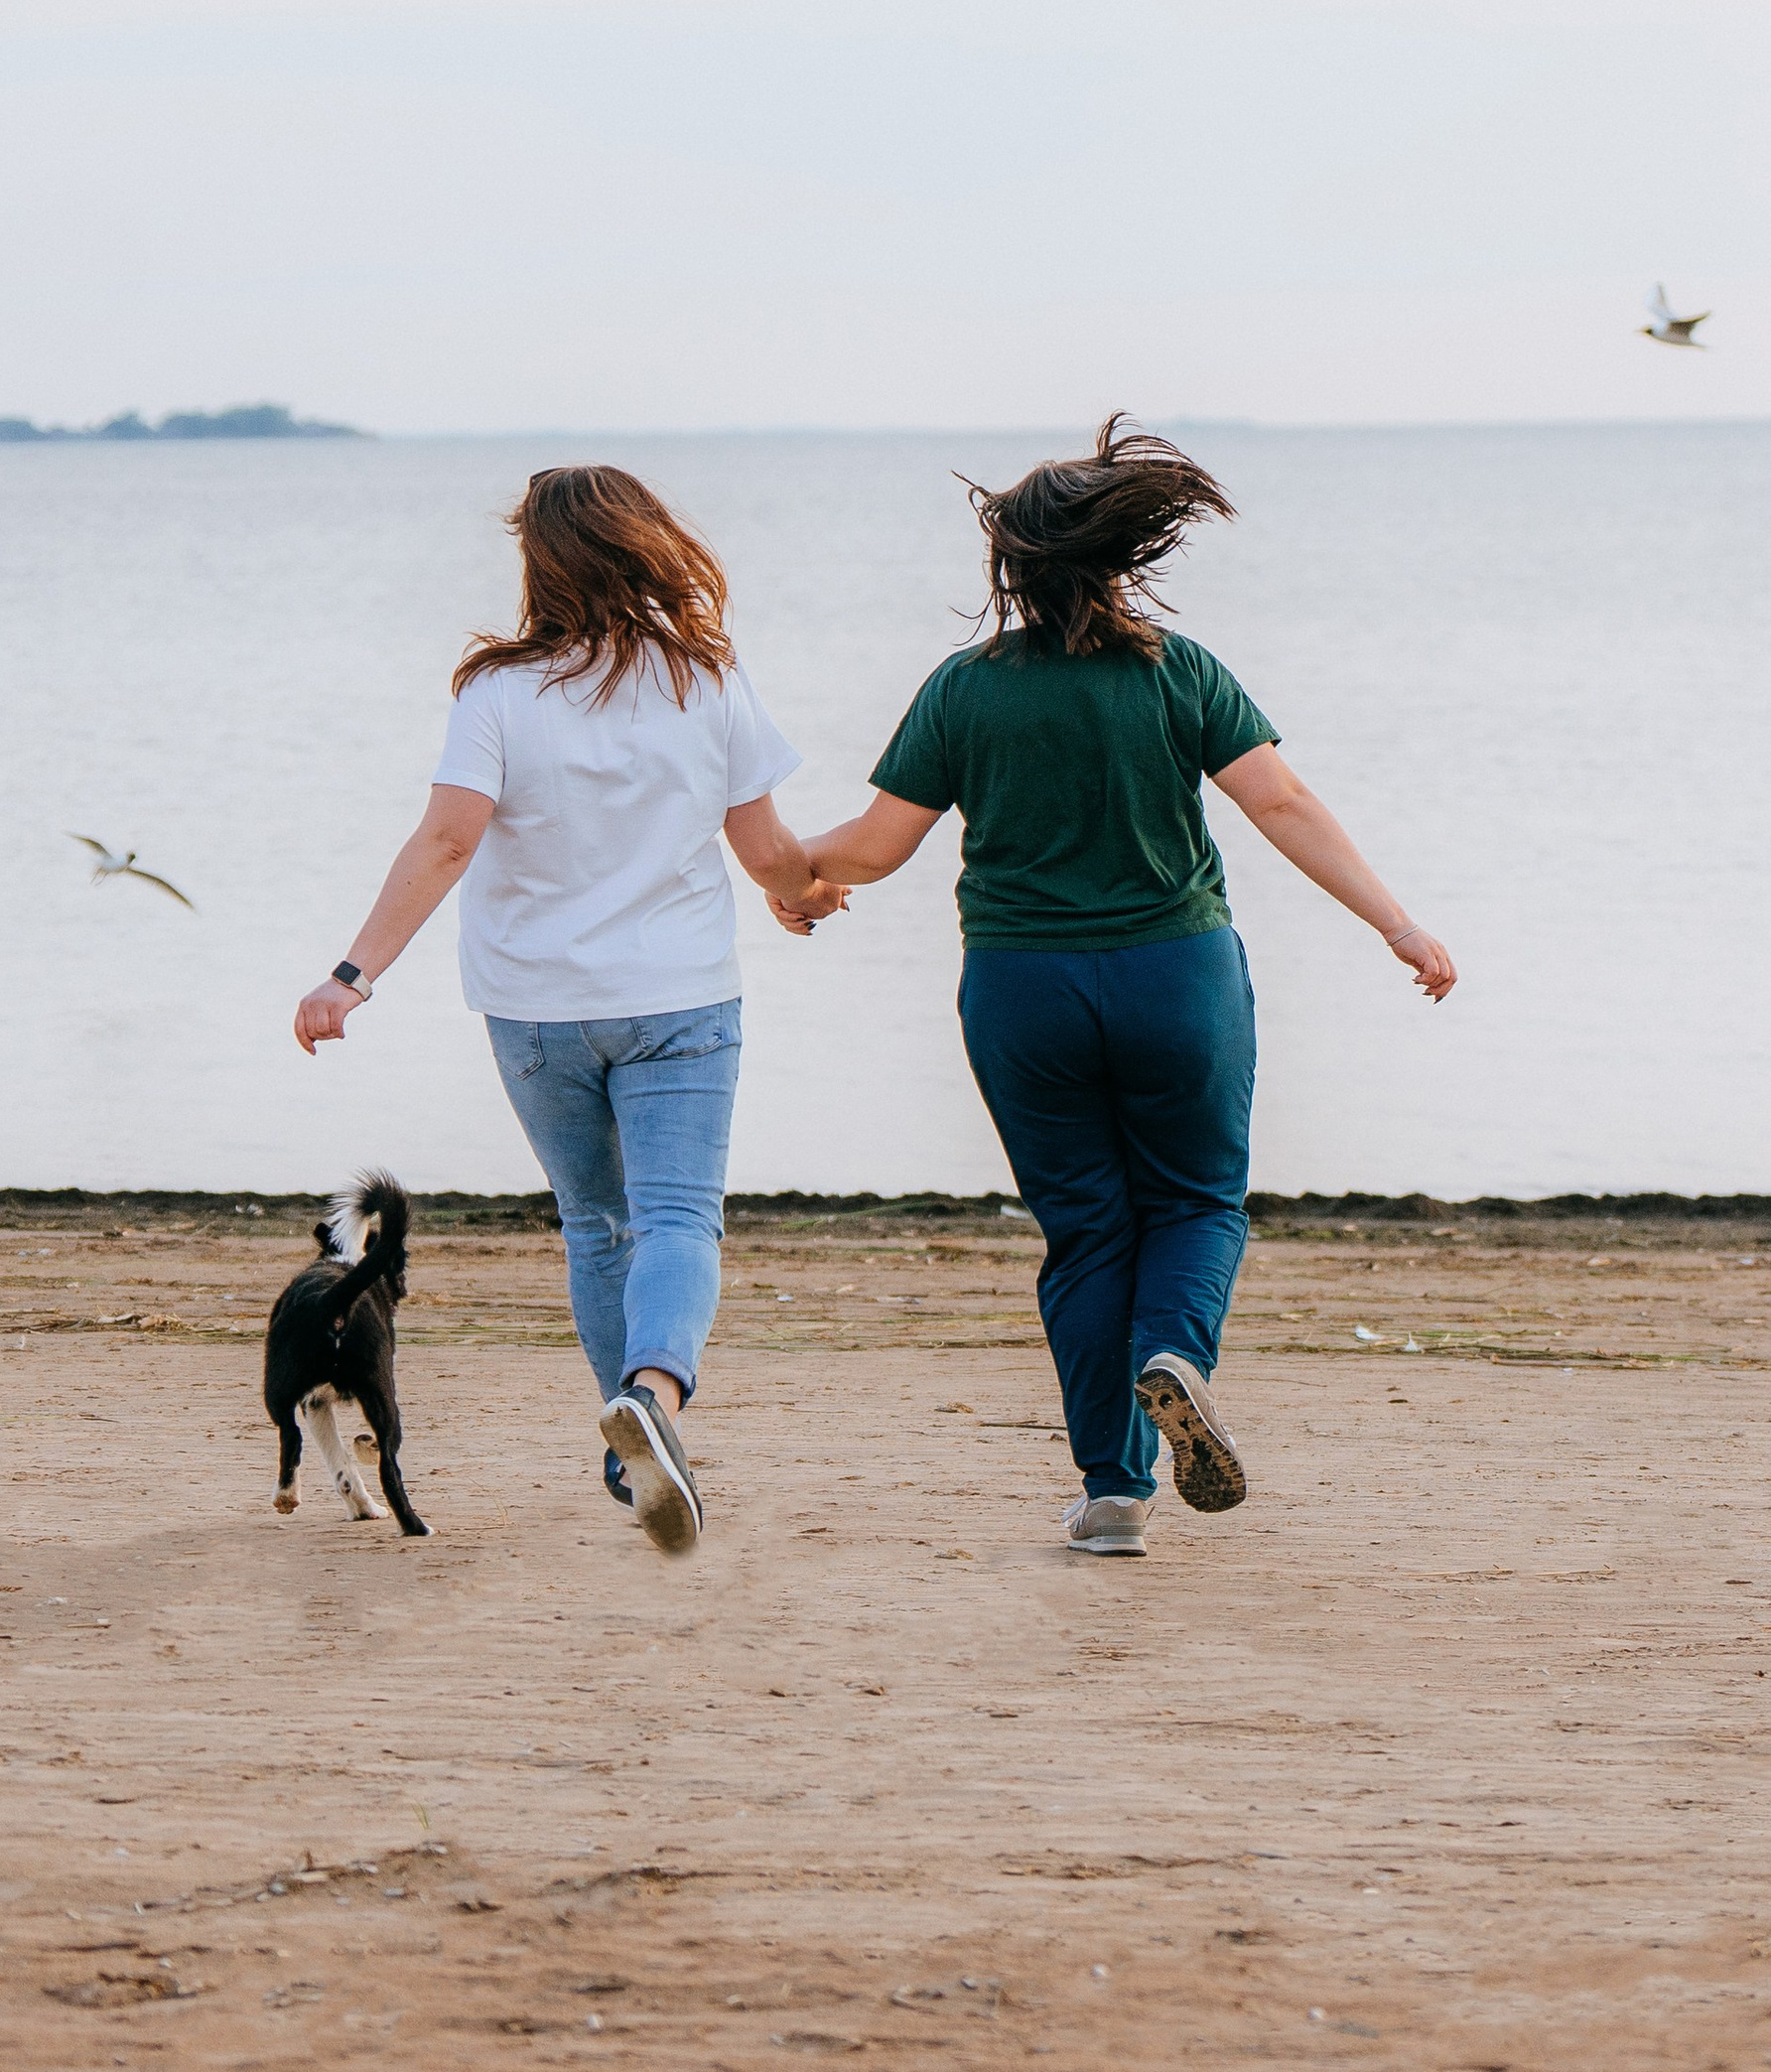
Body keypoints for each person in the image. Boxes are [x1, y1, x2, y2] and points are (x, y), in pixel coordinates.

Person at [781, 418, 1456, 1555]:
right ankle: (1176, 1353)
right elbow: (1281, 805)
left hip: (1021, 990)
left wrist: (797, 875)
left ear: (1013, 567)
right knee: (1195, 1201)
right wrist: (1396, 923)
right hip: (1176, 977)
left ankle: (1112, 1492)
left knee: (1087, 1229)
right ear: (1120, 561)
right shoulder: (1177, 670)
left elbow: (876, 843)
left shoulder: (964, 688)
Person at [294, 465, 830, 1556]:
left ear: (539, 562)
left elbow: (445, 841)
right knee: (678, 1219)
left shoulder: (496, 692)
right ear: (648, 544)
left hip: (536, 1008)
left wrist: (350, 976)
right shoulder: (705, 680)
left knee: (597, 1223)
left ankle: (629, 1442)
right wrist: (802, 893)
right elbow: (768, 850)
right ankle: (652, 1405)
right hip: (680, 997)